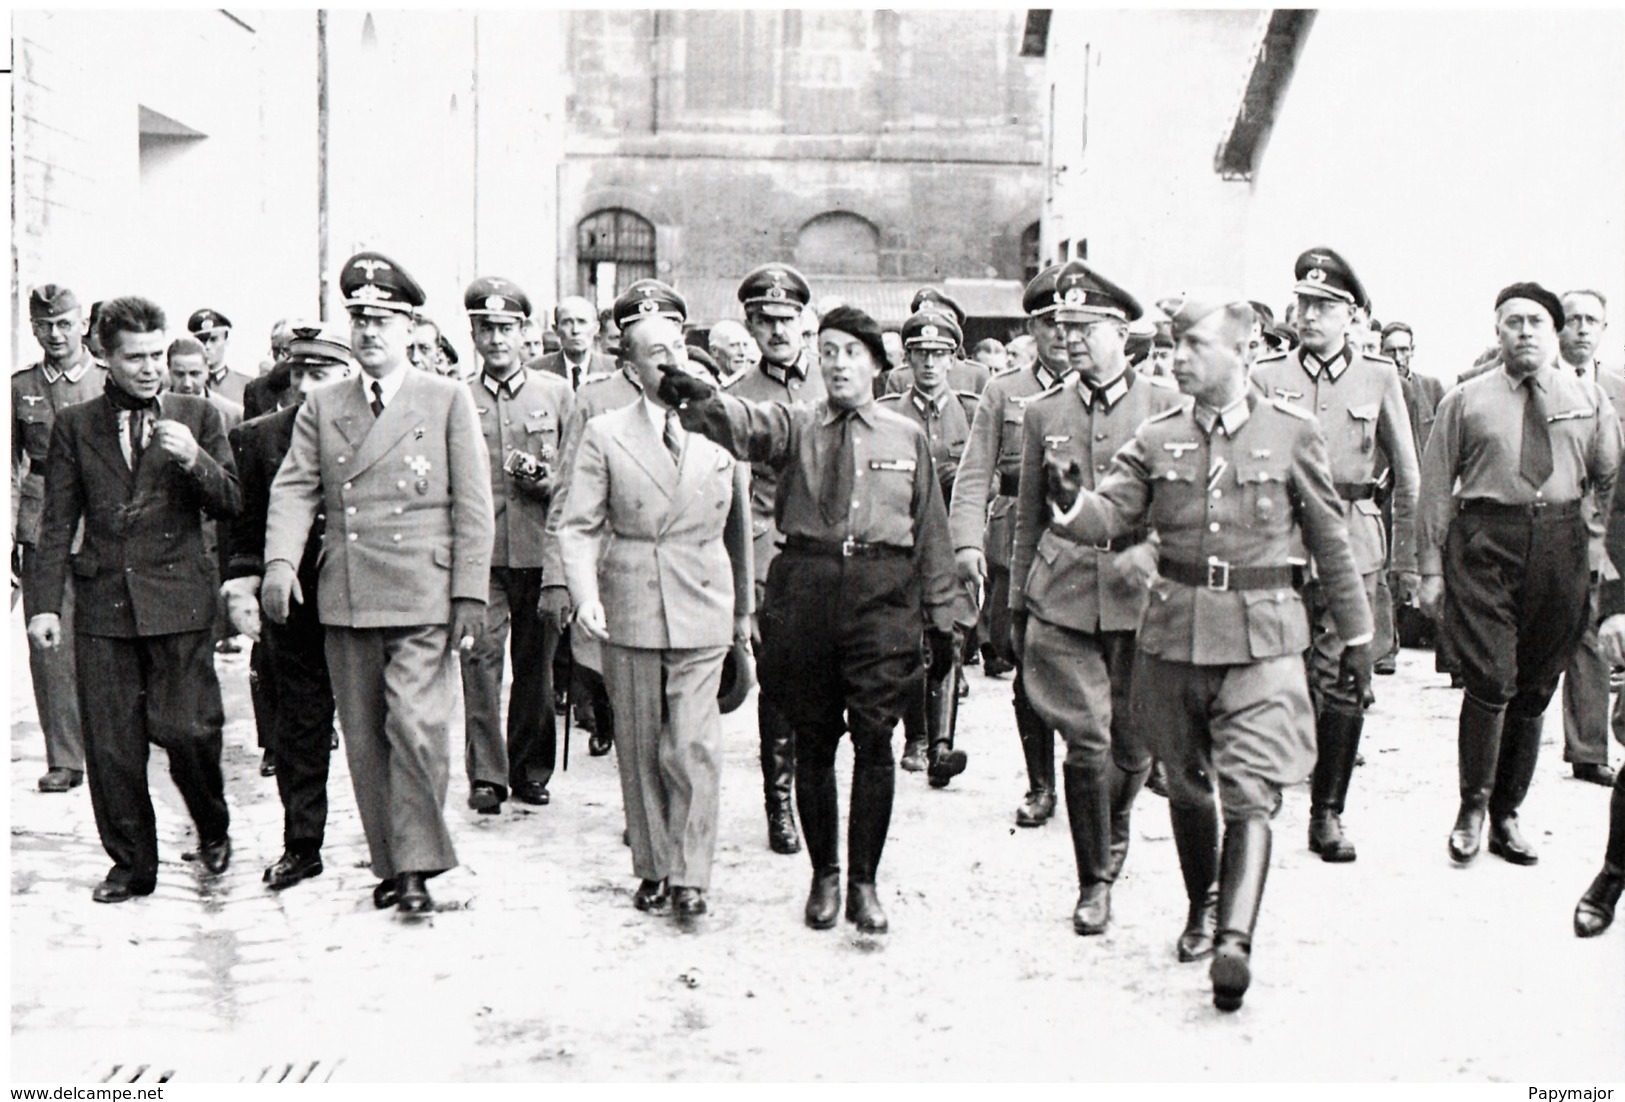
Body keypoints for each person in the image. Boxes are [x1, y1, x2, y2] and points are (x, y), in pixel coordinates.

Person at [1052, 293, 1373, 1010]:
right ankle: (1201, 906)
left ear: (1244, 352)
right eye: (1173, 346)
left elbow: (1329, 540)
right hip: (1173, 633)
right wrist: (1071, 505)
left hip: (1262, 638)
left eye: (1194, 346)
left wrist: (1356, 637)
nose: (1177, 359)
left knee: (1251, 789)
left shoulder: (1291, 433)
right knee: (1188, 780)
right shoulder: (1157, 436)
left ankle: (1233, 941)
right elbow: (1113, 514)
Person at [665, 305, 964, 934]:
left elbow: (931, 529)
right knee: (815, 739)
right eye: (826, 350)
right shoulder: (795, 424)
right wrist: (699, 398)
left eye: (851, 352)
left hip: (882, 593)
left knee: (876, 738)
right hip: (806, 588)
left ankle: (863, 885)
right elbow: (745, 424)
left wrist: (942, 614)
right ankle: (825, 876)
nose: (836, 362)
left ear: (878, 364)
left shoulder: (906, 436)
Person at [261, 251, 494, 917]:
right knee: (365, 738)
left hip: (423, 589)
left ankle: (417, 867)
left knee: (417, 730)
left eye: (383, 319)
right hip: (351, 591)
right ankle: (394, 864)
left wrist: (469, 593)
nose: (369, 331)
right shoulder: (324, 404)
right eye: (360, 318)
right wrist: (280, 563)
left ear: (410, 327)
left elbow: (472, 505)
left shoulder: (445, 399)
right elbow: (297, 487)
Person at [26, 296, 241, 902]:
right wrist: (45, 605)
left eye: (156, 355)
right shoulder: (76, 425)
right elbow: (56, 520)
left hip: (178, 600)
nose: (150, 369)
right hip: (105, 604)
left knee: (189, 730)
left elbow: (231, 501)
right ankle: (131, 865)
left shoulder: (197, 416)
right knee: (113, 746)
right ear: (104, 356)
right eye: (134, 357)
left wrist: (193, 459)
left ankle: (212, 824)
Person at [555, 283, 753, 920]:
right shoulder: (606, 433)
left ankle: (692, 875)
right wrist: (584, 596)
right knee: (641, 746)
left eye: (677, 349)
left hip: (702, 602)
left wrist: (743, 614)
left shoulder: (719, 423)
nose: (670, 364)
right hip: (631, 601)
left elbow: (739, 529)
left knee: (693, 745)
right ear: (630, 368)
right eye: (654, 353)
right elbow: (578, 525)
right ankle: (654, 865)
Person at [1418, 282, 1622, 869]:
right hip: (1486, 541)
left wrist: (1597, 551)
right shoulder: (1465, 400)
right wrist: (1429, 568)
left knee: (1535, 683)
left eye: (1536, 321)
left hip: (1560, 545)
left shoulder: (1588, 399)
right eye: (1513, 322)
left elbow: (1610, 477)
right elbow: (1435, 486)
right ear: (1497, 331)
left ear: (1553, 332)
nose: (1525, 331)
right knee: (1489, 676)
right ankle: (1472, 808)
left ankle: (1508, 813)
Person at [1010, 261, 1187, 934]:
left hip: (1142, 599)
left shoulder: (1168, 406)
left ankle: (1114, 822)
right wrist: (1014, 606)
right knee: (1085, 741)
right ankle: (1093, 880)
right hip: (1064, 598)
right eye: (1060, 326)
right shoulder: (1041, 412)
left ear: (1121, 332)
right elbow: (1029, 513)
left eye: (1084, 327)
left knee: (1133, 743)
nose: (1069, 338)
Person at [1250, 248, 1419, 864]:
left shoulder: (1379, 378)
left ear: (1352, 316)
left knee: (1346, 674)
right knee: (1274, 661)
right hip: (1281, 541)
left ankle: (1327, 812)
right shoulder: (1267, 376)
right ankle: (1269, 782)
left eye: (1325, 306)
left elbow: (1408, 474)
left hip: (1353, 540)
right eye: (1303, 304)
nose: (1310, 315)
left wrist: (1405, 560)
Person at [221, 324, 354, 890]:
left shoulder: (373, 430)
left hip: (364, 600)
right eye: (296, 373)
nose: (303, 386)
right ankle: (302, 844)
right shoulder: (259, 438)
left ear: (348, 376)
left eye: (319, 374)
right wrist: (243, 585)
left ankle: (400, 849)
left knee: (380, 724)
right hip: (293, 604)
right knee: (299, 728)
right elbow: (244, 527)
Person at [949, 264, 1072, 826]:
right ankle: (1040, 784)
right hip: (1021, 539)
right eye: (1048, 322)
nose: (1061, 334)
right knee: (1028, 660)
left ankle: (1093, 776)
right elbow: (974, 473)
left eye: (1071, 322)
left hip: (1088, 542)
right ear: (1032, 329)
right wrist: (967, 545)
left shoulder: (1101, 390)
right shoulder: (1005, 391)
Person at [459, 277, 574, 814]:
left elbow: (578, 479)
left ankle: (530, 768)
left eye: (507, 328)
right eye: (487, 328)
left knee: (536, 666)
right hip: (481, 555)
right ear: (474, 333)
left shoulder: (556, 394)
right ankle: (486, 774)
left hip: (541, 550)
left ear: (525, 333)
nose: (497, 339)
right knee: (480, 659)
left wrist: (550, 482)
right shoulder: (459, 396)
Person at [723, 262, 826, 856]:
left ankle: (816, 792)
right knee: (781, 686)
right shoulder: (737, 400)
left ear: (805, 322)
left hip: (833, 559)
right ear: (751, 327)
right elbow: (731, 502)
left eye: (788, 319)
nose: (779, 331)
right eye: (766, 322)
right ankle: (780, 805)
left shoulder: (836, 386)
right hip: (771, 561)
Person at [877, 309, 980, 785]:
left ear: (953, 359)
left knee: (949, 631)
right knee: (907, 638)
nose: (930, 364)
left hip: (951, 540)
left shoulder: (973, 410)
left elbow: (989, 473)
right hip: (903, 542)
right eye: (921, 354)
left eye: (940, 355)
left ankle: (940, 746)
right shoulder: (889, 411)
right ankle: (916, 738)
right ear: (908, 358)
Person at [13, 284, 105, 793]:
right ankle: (65, 758)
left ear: (83, 325)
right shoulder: (19, 386)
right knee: (48, 646)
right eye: (45, 325)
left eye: (64, 323)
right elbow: (10, 467)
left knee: (106, 638)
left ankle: (112, 744)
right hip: (41, 524)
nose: (55, 334)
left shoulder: (106, 382)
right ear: (33, 328)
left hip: (101, 521)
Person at [1556, 290, 1624, 787]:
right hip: (1546, 525)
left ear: (1604, 329)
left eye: (1591, 320)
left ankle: (1588, 747)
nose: (1581, 328)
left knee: (1591, 632)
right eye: (1572, 319)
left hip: (1603, 529)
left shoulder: (1620, 389)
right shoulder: (1536, 381)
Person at [1380, 322, 1444, 657]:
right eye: (1391, 350)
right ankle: (1387, 647)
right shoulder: (1377, 386)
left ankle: (1445, 649)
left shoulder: (1432, 388)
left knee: (1428, 561)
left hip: (1427, 489)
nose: (1398, 357)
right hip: (1387, 490)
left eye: (1404, 350)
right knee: (1387, 565)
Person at [535, 296, 616, 388]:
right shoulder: (536, 371)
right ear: (555, 329)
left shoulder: (615, 370)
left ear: (596, 328)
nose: (575, 330)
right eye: (567, 322)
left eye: (582, 322)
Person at [188, 308, 248, 404]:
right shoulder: (186, 385)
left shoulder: (245, 386)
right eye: (201, 340)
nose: (207, 346)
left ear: (226, 341)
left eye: (213, 340)